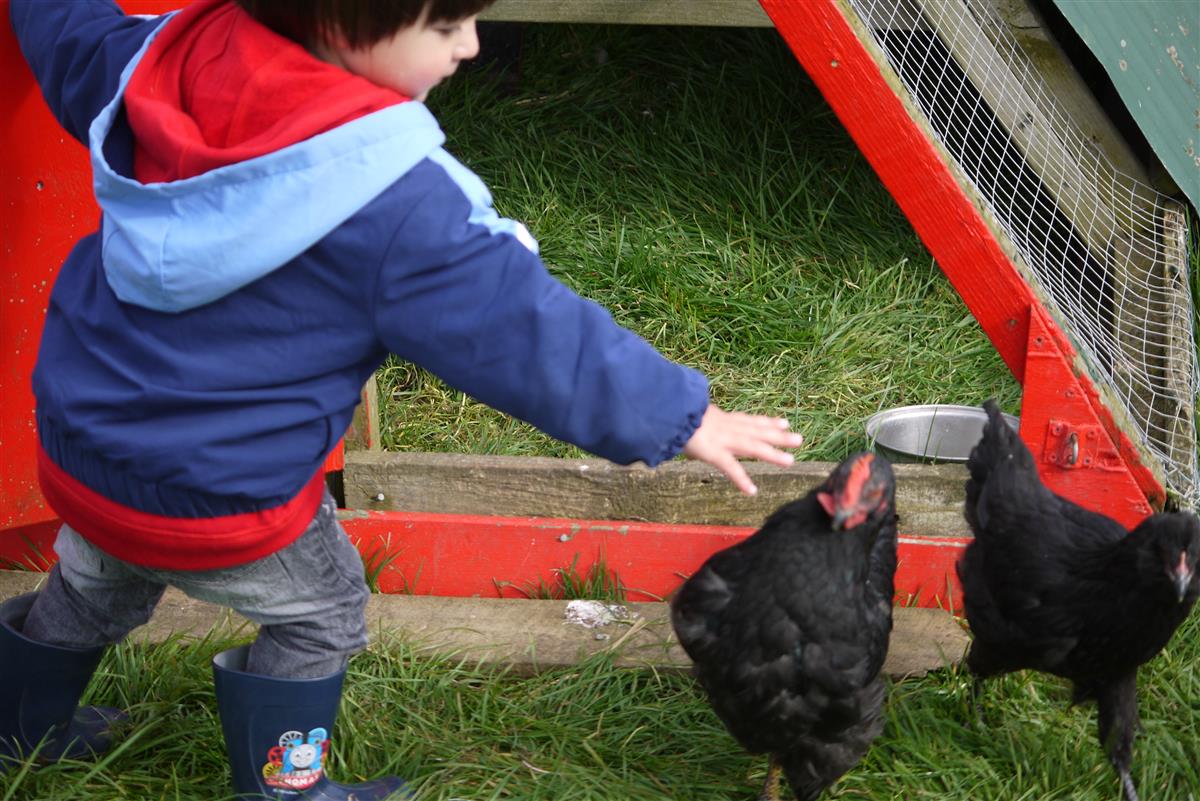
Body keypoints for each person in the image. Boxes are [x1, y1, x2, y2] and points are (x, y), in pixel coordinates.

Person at [2, 1, 804, 798]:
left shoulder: (160, 66)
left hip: (85, 448)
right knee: (321, 612)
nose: (472, 45)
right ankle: (287, 789)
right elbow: (526, 331)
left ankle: (20, 731)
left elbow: (70, 33)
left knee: (97, 577)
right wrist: (678, 413)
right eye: (447, 26)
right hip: (224, 494)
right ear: (343, 25)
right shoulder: (394, 203)